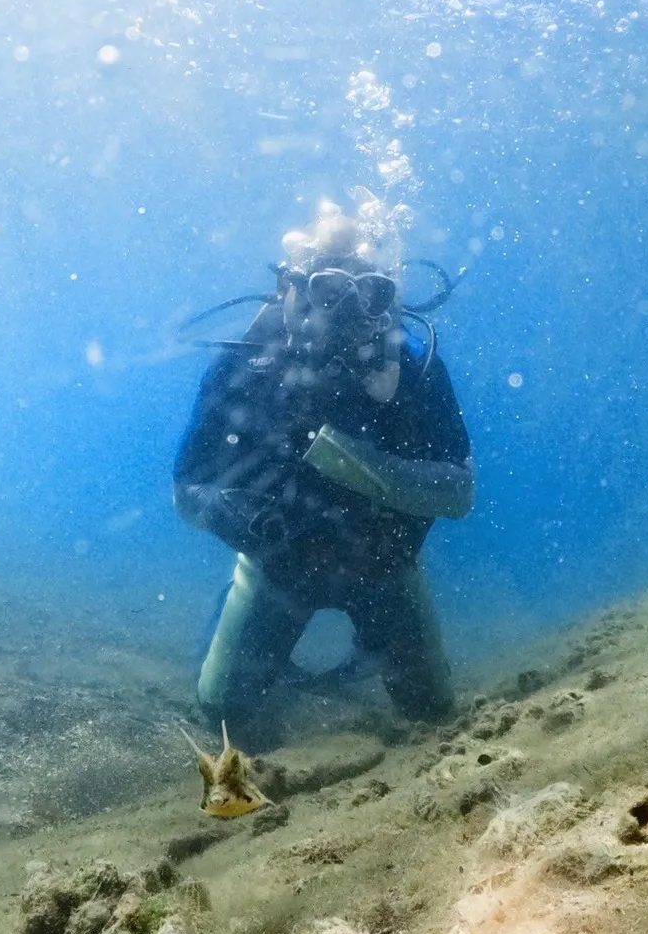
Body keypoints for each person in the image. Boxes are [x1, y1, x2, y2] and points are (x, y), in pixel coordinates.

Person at [174, 198, 474, 741]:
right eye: (330, 290)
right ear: (293, 287)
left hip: (387, 568)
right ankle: (282, 672)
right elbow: (187, 487)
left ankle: (366, 651)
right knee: (222, 713)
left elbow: (458, 494)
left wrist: (351, 465)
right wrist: (249, 524)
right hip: (277, 570)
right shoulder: (245, 366)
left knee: (432, 712)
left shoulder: (413, 368)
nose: (347, 312)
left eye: (371, 293)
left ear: (388, 299)